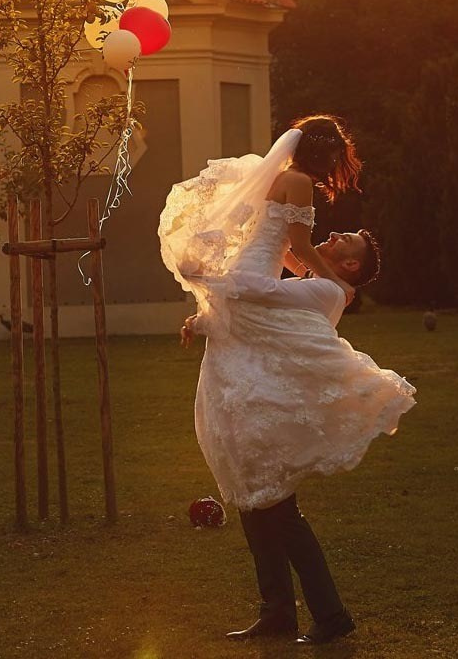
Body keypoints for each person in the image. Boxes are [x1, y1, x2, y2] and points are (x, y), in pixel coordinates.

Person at [158, 116, 416, 645]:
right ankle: (278, 610)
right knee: (255, 498)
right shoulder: (296, 197)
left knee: (275, 503)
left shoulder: (324, 281)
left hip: (259, 363)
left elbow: (278, 274)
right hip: (244, 357)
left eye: (347, 247)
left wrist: (218, 280)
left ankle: (325, 613)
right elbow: (290, 261)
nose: (336, 235)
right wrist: (210, 310)